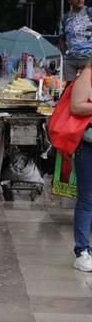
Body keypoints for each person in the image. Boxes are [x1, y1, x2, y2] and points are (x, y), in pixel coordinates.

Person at [69, 58, 92, 271]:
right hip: (88, 147)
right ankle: (82, 250)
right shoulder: (87, 74)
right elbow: (76, 106)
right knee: (87, 199)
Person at [60, 0, 92, 81]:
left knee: (87, 86)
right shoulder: (65, 17)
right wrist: (64, 54)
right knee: (69, 86)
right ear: (70, 0)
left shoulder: (89, 12)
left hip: (88, 57)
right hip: (71, 59)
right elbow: (61, 38)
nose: (80, 0)